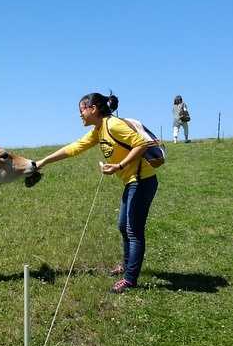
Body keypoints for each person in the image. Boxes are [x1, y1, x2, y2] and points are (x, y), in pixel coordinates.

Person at [36, 92, 158, 293]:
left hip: (143, 181)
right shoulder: (99, 130)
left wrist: (119, 165)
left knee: (133, 231)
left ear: (93, 109)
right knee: (123, 226)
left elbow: (141, 144)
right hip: (132, 181)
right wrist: (44, 161)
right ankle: (127, 266)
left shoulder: (112, 125)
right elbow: (75, 147)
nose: (80, 115)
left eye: (81, 110)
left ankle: (130, 279)